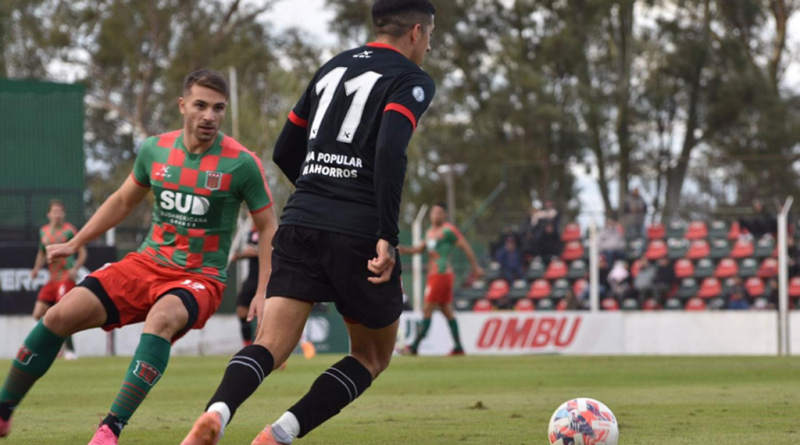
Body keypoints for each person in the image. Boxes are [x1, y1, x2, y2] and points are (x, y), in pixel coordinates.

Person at [181, 2, 437, 444]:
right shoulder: (411, 78)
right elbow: (389, 151)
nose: (429, 46)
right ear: (416, 32)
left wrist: (320, 191)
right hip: (358, 229)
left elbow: (284, 150)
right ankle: (278, 434)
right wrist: (386, 235)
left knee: (269, 345)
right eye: (430, 36)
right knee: (371, 356)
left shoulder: (332, 66)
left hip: (301, 219)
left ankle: (217, 412)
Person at [0, 69, 277, 445]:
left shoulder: (242, 163)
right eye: (200, 105)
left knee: (162, 318)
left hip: (201, 277)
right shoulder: (154, 149)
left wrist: (263, 290)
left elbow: (269, 227)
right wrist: (75, 242)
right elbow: (121, 201)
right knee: (58, 315)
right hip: (146, 263)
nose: (209, 116)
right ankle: (3, 412)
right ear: (182, 105)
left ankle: (109, 429)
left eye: (218, 108)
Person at [398, 203, 484, 356]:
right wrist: (402, 249)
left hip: (441, 273)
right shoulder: (429, 232)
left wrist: (475, 267)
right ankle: (458, 347)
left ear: (445, 215)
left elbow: (465, 246)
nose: (436, 215)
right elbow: (419, 249)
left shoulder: (448, 230)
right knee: (446, 310)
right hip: (434, 274)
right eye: (434, 212)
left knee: (427, 309)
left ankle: (414, 346)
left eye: (439, 212)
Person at [30, 200, 87, 360]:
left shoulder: (69, 230)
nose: (57, 215)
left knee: (62, 314)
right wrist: (36, 269)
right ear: (48, 214)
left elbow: (83, 253)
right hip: (52, 278)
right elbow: (42, 253)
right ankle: (57, 342)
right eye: (54, 211)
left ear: (64, 214)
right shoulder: (43, 231)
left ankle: (70, 350)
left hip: (65, 278)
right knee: (38, 313)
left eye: (60, 211)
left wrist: (75, 269)